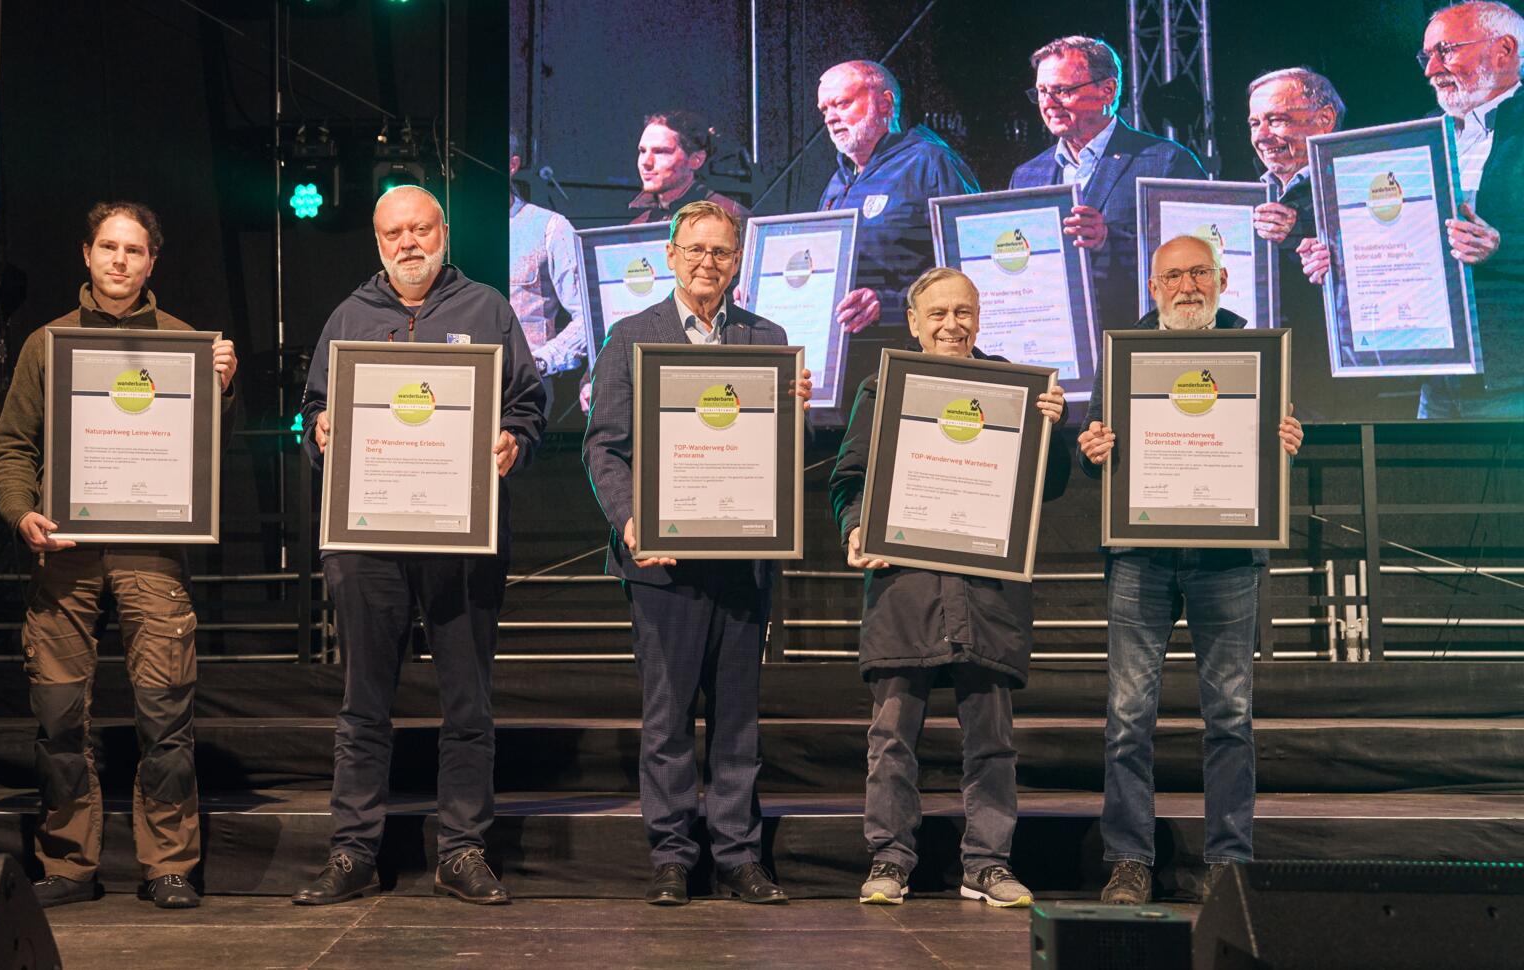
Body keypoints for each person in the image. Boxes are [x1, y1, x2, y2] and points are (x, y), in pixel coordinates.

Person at [292, 186, 548, 906]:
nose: (408, 243)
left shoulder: (488, 310)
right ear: (378, 243)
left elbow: (527, 405)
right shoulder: (350, 316)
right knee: (363, 704)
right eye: (393, 233)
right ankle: (353, 852)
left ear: (444, 230)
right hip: (367, 543)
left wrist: (513, 442)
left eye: (421, 229)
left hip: (462, 540)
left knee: (468, 705)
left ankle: (462, 850)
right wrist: (316, 433)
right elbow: (314, 411)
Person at [0, 202, 239, 910]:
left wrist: (221, 385)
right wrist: (21, 512)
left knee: (165, 718)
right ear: (87, 254)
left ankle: (168, 866)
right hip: (65, 553)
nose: (120, 260)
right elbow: (12, 447)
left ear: (152, 261)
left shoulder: (185, 342)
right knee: (60, 715)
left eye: (134, 250)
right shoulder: (49, 343)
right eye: (108, 247)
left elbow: (201, 455)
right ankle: (68, 863)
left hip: (154, 555)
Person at [583, 199, 813, 906]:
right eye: (696, 249)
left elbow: (781, 459)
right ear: (672, 254)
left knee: (738, 721)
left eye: (721, 251)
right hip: (663, 566)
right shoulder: (631, 337)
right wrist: (628, 520)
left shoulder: (767, 338)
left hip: (743, 561)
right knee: (669, 718)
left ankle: (740, 857)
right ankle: (674, 857)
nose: (708, 262)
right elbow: (604, 447)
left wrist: (796, 415)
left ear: (738, 260)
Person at [829, 266, 1068, 908]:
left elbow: (1049, 485)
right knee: (891, 738)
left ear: (980, 318)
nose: (951, 324)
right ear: (913, 324)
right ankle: (889, 860)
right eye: (937, 314)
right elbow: (849, 478)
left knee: (992, 741)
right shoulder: (882, 388)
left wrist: (1053, 429)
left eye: (963, 312)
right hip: (904, 588)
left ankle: (987, 864)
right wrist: (855, 526)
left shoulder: (1016, 390)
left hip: (986, 593)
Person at [1077, 235, 1305, 904]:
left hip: (1228, 559)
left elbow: (1275, 439)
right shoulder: (1122, 351)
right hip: (1141, 557)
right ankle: (1128, 859)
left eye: (1198, 273)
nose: (1186, 286)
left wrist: (1289, 441)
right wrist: (1096, 444)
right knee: (1127, 718)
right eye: (1172, 275)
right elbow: (1100, 436)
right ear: (1153, 288)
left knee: (1230, 716)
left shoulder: (1259, 350)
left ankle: (1229, 864)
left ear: (1223, 279)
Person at [1304, 1, 1520, 418]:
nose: (1430, 69)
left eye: (1447, 50)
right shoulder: (1423, 134)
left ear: (1504, 49)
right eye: (1427, 56)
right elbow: (1401, 236)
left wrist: (1503, 246)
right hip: (1440, 377)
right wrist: (1338, 255)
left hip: (1513, 378)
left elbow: (1499, 242)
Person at [1009, 36, 1205, 331]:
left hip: (1137, 340)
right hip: (1055, 341)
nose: (1048, 104)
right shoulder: (1026, 175)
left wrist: (1107, 240)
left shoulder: (1166, 162)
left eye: (1061, 91)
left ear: (1107, 91)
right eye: (1041, 92)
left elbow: (1201, 259)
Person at [813, 60, 981, 339]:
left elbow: (971, 264)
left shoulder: (929, 161)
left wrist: (891, 304)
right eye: (824, 110)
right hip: (843, 356)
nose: (830, 118)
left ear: (885, 104)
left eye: (842, 103)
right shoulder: (837, 181)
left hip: (910, 351)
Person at [1243, 67, 1348, 420]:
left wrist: (1300, 233)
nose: (1263, 135)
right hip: (1262, 376)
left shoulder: (1353, 181)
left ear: (1325, 119)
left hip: (1331, 380)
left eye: (1276, 120)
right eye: (1255, 123)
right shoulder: (1249, 196)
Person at [509, 130, 591, 412]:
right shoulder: (453, 227)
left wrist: (542, 361)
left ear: (512, 165)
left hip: (524, 390)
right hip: (465, 382)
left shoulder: (550, 227)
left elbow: (588, 316)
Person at [627, 110, 751, 227]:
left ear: (696, 160)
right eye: (642, 151)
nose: (646, 162)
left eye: (661, 152)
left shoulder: (728, 218)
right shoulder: (638, 225)